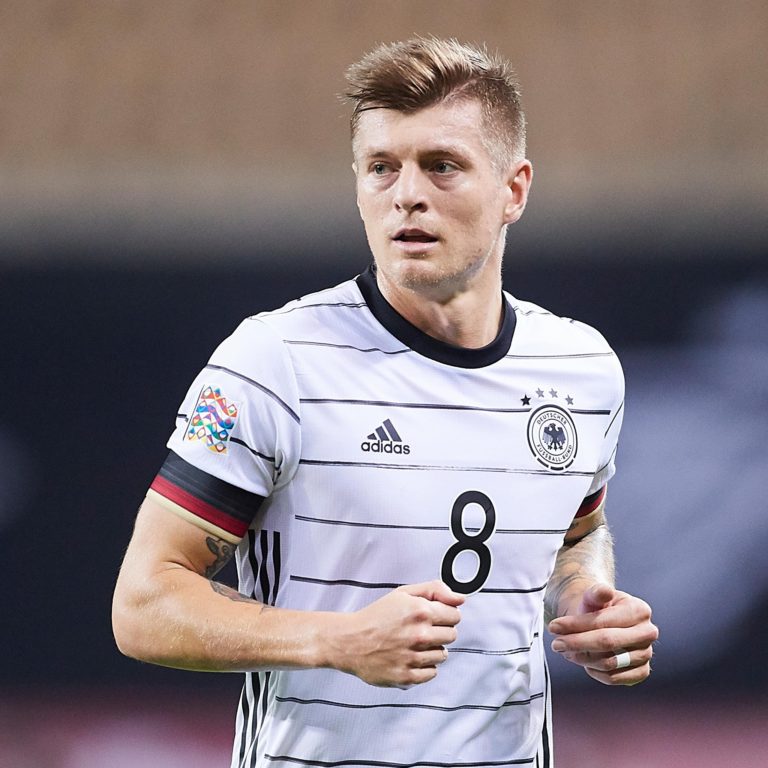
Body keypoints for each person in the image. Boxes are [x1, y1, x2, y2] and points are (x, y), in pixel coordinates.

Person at [112, 37, 658, 768]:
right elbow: (144, 603)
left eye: (441, 165)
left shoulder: (582, 369)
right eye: (381, 167)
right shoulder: (276, 361)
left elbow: (574, 534)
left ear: (514, 190)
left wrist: (587, 595)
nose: (406, 194)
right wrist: (334, 640)